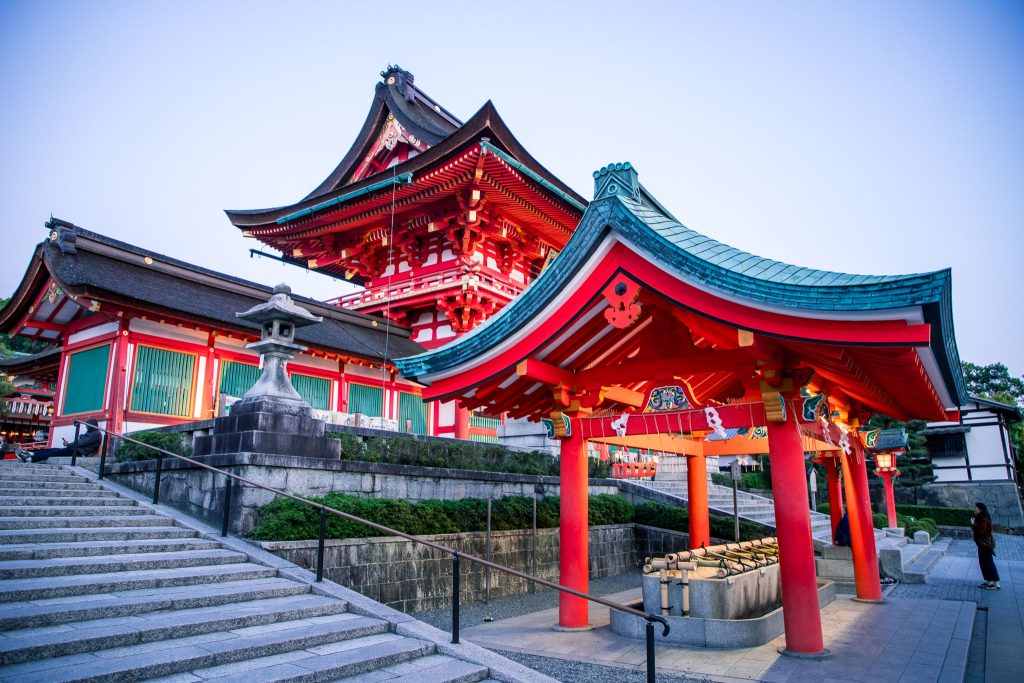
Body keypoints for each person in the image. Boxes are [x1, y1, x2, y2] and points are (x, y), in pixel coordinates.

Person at [15, 419, 102, 463]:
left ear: (91, 425)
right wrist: (69, 444)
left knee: (55, 452)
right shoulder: (92, 433)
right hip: (76, 450)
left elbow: (82, 442)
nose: (86, 427)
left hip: (80, 452)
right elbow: (81, 441)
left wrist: (69, 444)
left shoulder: (96, 433)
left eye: (87, 425)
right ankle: (32, 453)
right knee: (53, 449)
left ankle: (30, 459)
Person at [971, 501, 1000, 590]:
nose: (974, 509)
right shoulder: (980, 517)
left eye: (975, 507)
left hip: (985, 544)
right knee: (984, 563)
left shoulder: (984, 518)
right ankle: (989, 581)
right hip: (982, 543)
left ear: (980, 509)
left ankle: (995, 583)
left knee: (988, 563)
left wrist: (973, 524)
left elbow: (982, 531)